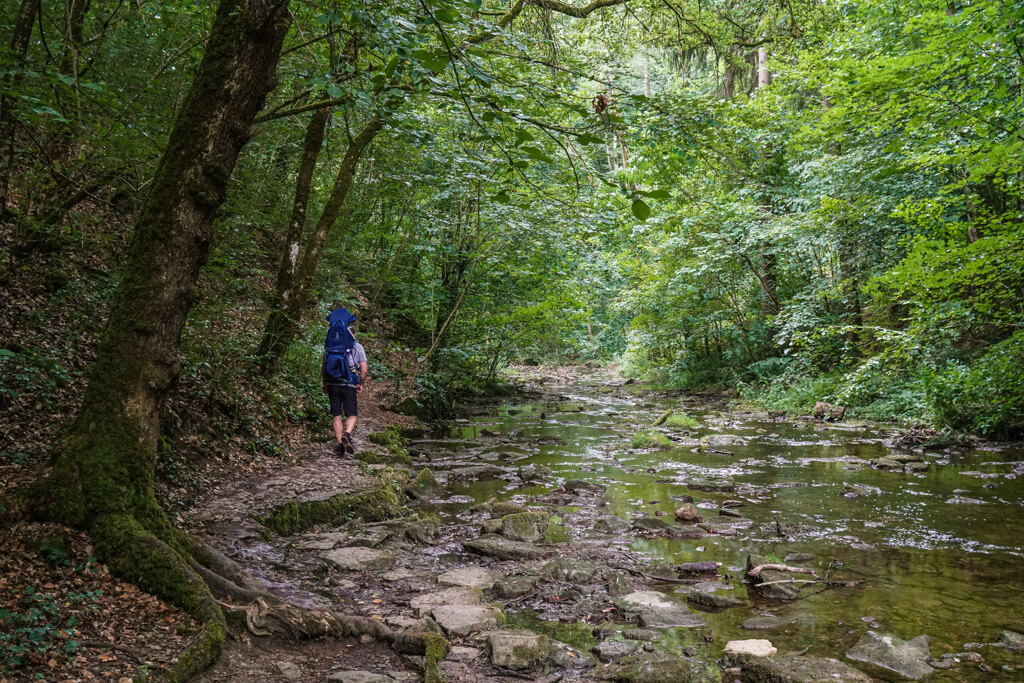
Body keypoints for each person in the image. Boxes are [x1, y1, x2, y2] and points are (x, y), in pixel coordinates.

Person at [322, 307, 367, 456]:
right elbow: (364, 370)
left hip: (332, 383)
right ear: (353, 334)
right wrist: (360, 383)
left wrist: (325, 383)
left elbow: (324, 365)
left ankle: (340, 444)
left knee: (336, 415)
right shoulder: (357, 347)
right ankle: (347, 434)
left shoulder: (330, 345)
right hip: (349, 384)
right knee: (352, 414)